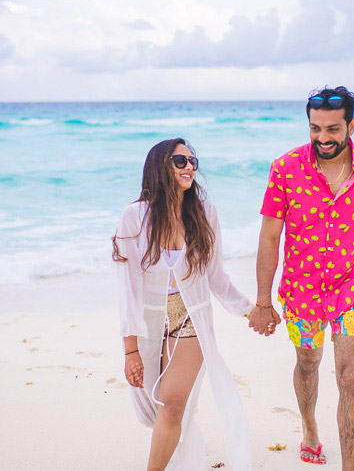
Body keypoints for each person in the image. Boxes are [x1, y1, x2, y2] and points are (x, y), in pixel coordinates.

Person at [247, 86, 354, 469]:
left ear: (351, 126)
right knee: (308, 363)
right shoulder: (285, 168)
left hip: (353, 287)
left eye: (333, 129)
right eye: (315, 129)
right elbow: (269, 237)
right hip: (302, 290)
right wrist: (263, 301)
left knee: (350, 377)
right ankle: (310, 426)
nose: (323, 138)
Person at [113, 138, 256, 471]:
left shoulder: (205, 213)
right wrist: (130, 349)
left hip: (190, 317)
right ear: (160, 166)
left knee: (173, 404)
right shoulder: (135, 217)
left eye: (193, 160)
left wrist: (251, 310)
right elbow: (128, 289)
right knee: (152, 407)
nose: (189, 166)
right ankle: (172, 444)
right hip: (147, 322)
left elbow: (216, 277)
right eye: (180, 161)